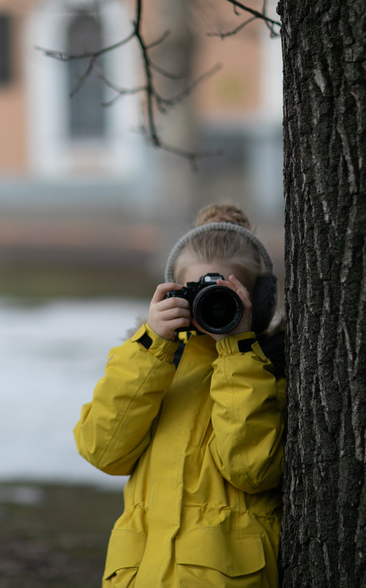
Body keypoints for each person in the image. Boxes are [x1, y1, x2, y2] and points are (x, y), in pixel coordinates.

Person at [74, 204, 286, 587]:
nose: (213, 305)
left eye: (227, 294)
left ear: (258, 299)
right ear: (175, 293)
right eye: (200, 292)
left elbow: (252, 470)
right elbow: (102, 451)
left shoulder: (268, 370)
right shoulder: (155, 366)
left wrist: (236, 351)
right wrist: (151, 346)